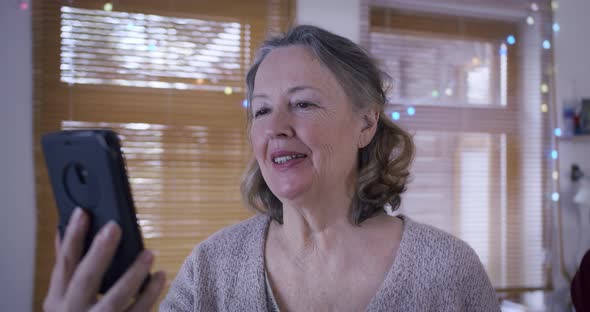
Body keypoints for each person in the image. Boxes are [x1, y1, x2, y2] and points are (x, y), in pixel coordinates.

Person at [43, 25, 500, 312]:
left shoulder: (448, 271)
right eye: (261, 111)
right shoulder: (211, 269)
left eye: (301, 103)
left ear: (365, 122)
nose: (276, 128)